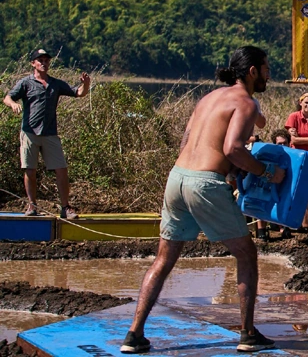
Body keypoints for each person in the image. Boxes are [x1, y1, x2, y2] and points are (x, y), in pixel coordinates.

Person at [120, 46, 284, 353]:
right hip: (204, 183)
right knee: (246, 254)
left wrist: (226, 168)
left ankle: (134, 335)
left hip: (177, 177)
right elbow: (233, 148)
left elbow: (186, 140)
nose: (268, 74)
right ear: (252, 71)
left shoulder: (208, 98)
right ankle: (248, 334)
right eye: (266, 68)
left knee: (163, 259)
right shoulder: (246, 102)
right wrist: (266, 172)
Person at [3, 49, 90, 219]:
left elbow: (79, 93)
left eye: (46, 60)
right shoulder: (26, 83)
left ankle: (65, 208)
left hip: (50, 133)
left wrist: (86, 84)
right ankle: (32, 205)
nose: (44, 63)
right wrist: (13, 104)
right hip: (29, 132)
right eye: (40, 60)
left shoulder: (55, 84)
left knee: (61, 169)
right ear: (33, 63)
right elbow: (7, 97)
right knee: (30, 170)